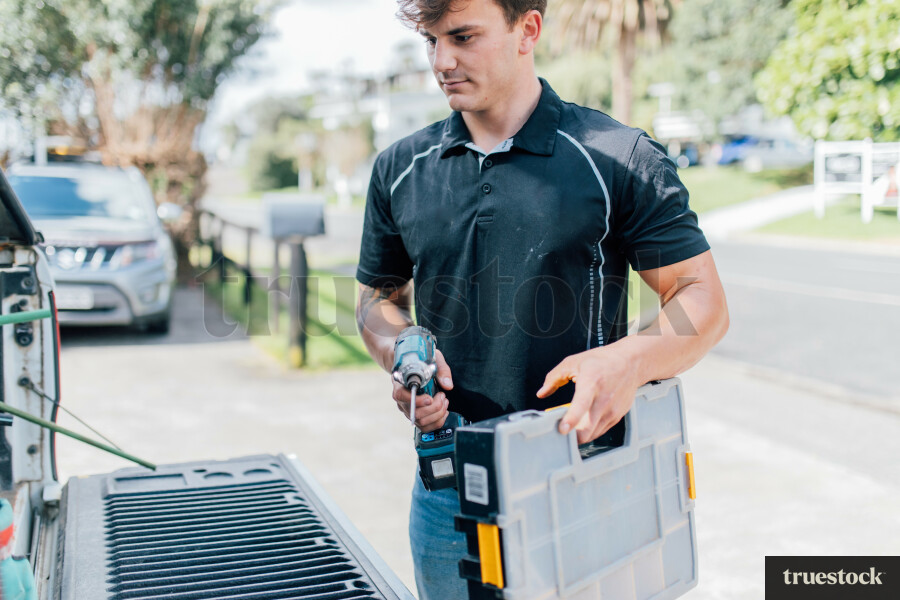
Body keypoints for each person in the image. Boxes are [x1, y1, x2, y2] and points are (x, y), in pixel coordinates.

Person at [354, 0, 729, 597]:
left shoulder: (618, 156)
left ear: (527, 29)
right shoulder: (399, 168)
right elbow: (376, 300)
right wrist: (402, 348)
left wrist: (629, 360)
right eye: (430, 41)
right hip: (447, 483)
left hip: (583, 477)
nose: (442, 61)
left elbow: (702, 299)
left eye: (463, 36)